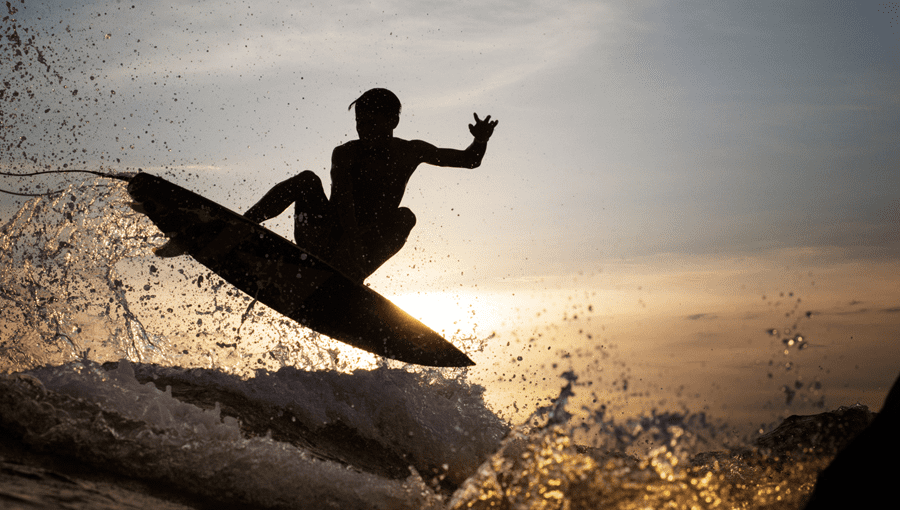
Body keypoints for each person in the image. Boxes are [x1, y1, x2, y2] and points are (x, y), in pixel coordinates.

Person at [220, 88, 496, 283]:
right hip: (325, 235)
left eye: (371, 123)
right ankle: (239, 227)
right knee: (307, 179)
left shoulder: (410, 152)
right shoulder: (346, 153)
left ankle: (351, 276)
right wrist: (347, 243)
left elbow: (469, 161)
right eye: (359, 123)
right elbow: (343, 200)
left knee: (405, 217)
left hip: (361, 251)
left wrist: (480, 140)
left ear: (393, 121)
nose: (364, 129)